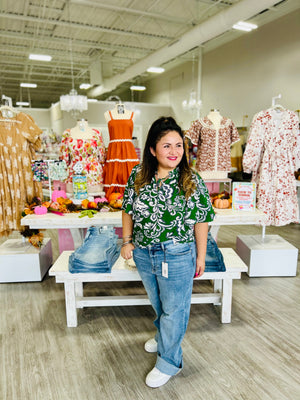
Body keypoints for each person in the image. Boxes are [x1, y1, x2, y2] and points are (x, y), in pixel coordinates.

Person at [121, 116, 215, 388]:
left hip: (176, 254)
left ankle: (169, 362)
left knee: (175, 310)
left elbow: (201, 219)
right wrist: (127, 241)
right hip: (144, 253)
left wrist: (200, 256)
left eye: (179, 146)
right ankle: (164, 338)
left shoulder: (191, 179)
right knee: (160, 305)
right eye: (166, 146)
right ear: (152, 149)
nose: (174, 152)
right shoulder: (137, 175)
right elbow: (127, 210)